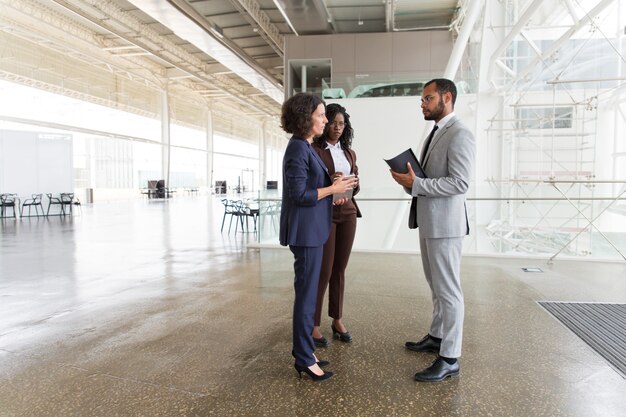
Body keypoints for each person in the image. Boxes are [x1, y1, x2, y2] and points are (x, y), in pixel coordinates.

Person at [390, 78, 475, 382]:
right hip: (430, 221)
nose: (422, 105)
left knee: (449, 290)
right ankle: (438, 337)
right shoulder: (437, 132)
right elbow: (428, 179)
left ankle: (450, 357)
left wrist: (418, 184)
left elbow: (460, 183)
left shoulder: (461, 133)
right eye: (422, 100)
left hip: (446, 225)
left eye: (427, 99)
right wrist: (409, 182)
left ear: (447, 97)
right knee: (436, 286)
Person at [279, 93, 356, 382]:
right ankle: (302, 357)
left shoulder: (307, 146)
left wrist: (335, 183)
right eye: (322, 115)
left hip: (313, 230)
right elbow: (300, 195)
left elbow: (313, 184)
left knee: (309, 296)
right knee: (306, 298)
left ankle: (306, 351)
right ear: (305, 117)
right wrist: (333, 190)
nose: (326, 120)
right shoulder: (298, 148)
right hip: (307, 233)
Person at [311, 103, 361, 347]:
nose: (337, 128)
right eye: (332, 122)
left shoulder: (349, 153)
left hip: (348, 212)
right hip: (327, 214)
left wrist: (354, 183)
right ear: (325, 123)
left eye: (341, 124)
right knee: (324, 270)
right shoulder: (316, 150)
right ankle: (313, 324)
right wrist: (332, 181)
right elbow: (316, 182)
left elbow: (356, 186)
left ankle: (337, 319)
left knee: (340, 269)